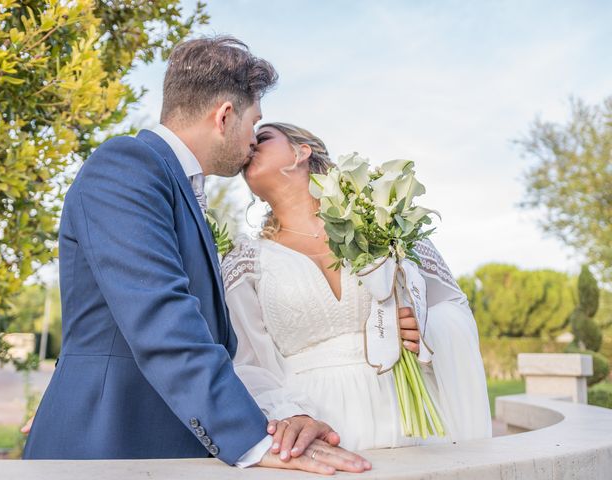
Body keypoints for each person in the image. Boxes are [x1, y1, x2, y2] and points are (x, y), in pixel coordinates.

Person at [22, 37, 370, 475]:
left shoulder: (176, 188)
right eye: (254, 123)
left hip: (166, 449)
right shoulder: (127, 165)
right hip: (108, 440)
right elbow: (161, 319)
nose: (252, 143)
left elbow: (223, 345)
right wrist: (251, 441)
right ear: (225, 116)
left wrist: (279, 421)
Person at [221, 123, 493, 455]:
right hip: (317, 427)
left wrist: (425, 327)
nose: (250, 143)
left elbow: (451, 304)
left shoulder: (382, 221)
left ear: (301, 151)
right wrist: (289, 414)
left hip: (405, 415)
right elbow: (247, 362)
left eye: (262, 138)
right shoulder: (246, 260)